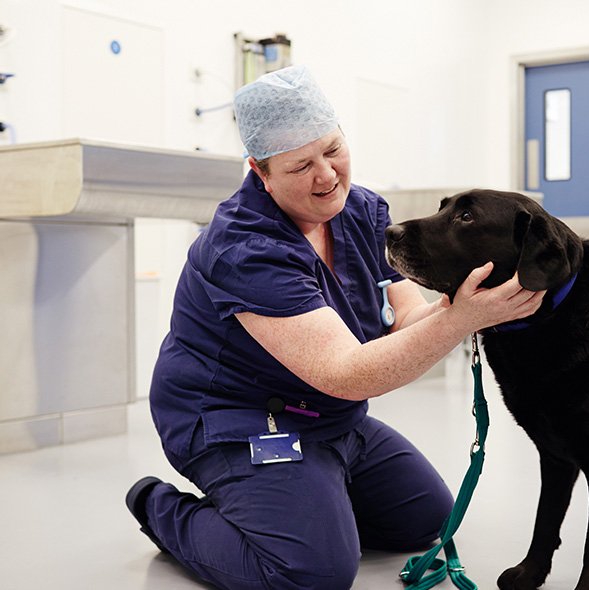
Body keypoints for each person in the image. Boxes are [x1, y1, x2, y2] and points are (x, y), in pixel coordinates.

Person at [125, 64, 544, 590]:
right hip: (239, 419)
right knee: (312, 574)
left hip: (329, 417)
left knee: (428, 521)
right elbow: (345, 373)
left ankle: (307, 492)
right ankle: (158, 506)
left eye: (333, 149)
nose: (326, 175)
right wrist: (464, 319)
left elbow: (408, 318)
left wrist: (461, 305)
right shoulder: (245, 249)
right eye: (301, 165)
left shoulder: (359, 211)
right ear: (261, 172)